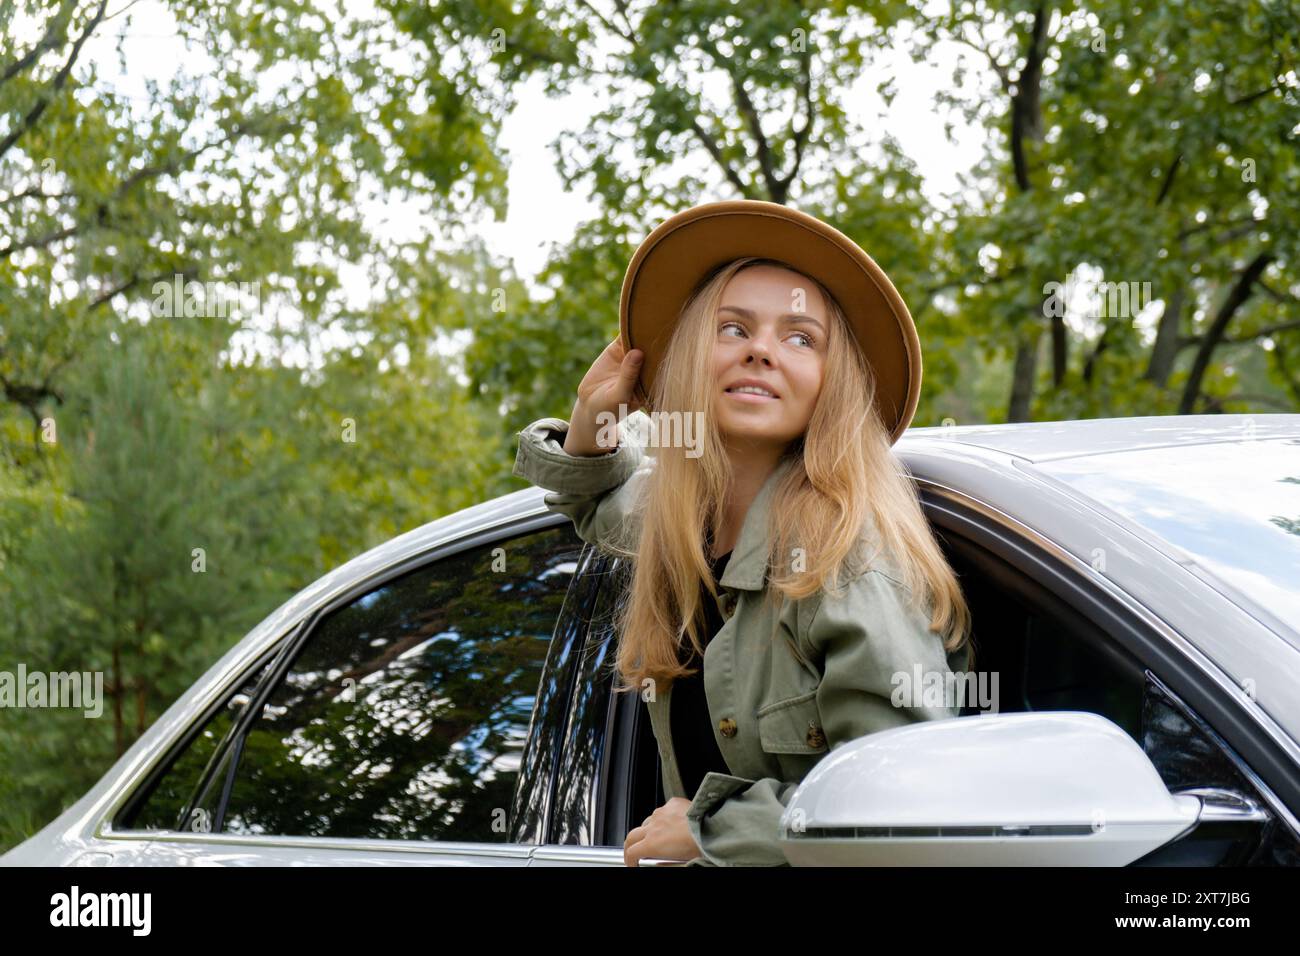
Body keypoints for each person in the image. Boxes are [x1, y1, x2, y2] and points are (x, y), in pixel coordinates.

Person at [512, 200, 974, 866]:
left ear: (831, 383)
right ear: (693, 358)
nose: (760, 349)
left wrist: (712, 833)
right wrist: (593, 415)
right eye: (733, 329)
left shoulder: (851, 563)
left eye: (799, 337)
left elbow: (905, 802)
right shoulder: (679, 528)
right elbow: (594, 501)